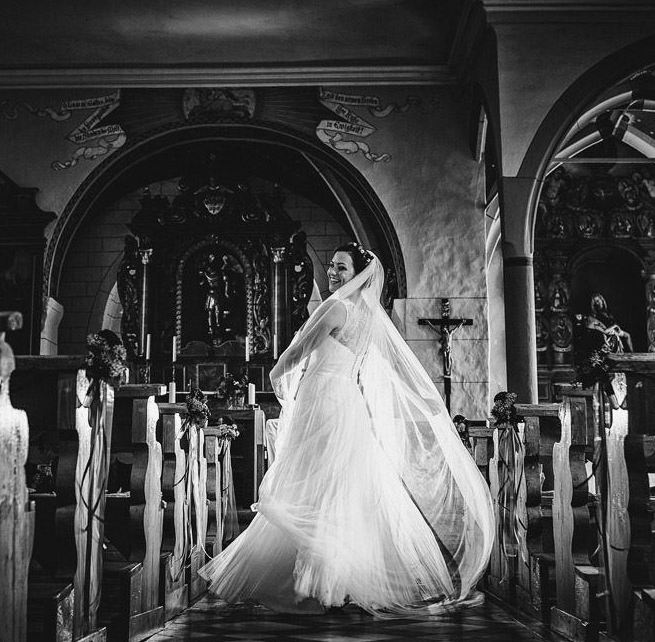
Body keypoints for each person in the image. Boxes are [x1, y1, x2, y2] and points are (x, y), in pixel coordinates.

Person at [200, 242, 495, 617]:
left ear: (358, 274)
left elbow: (295, 354)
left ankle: (313, 582)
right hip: (347, 406)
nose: (333, 273)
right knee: (337, 489)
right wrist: (428, 401)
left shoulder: (335, 307)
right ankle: (330, 581)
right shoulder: (368, 317)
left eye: (341, 267)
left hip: (322, 402)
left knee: (312, 484)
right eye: (333, 266)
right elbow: (392, 370)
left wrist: (278, 382)